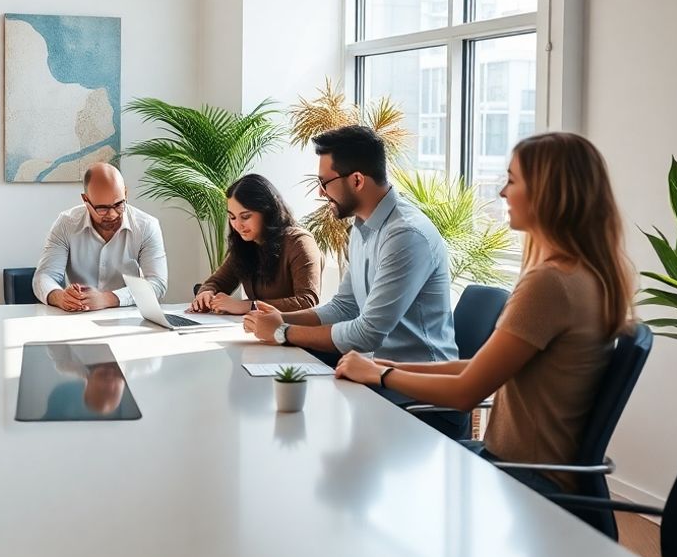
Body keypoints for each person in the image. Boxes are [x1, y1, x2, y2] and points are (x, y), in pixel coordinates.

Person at [335, 132, 635, 493]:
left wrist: (380, 376)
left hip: (524, 480)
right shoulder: (587, 276)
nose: (502, 192)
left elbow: (466, 392)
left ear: (549, 192)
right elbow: (477, 370)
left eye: (512, 180)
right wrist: (383, 368)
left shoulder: (550, 284)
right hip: (530, 470)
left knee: (367, 473)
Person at [243, 125, 456, 364]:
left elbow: (367, 334)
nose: (321, 192)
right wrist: (280, 319)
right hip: (372, 370)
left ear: (357, 180)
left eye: (324, 182)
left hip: (416, 382)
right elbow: (344, 307)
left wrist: (282, 332)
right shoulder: (361, 226)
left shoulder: (405, 235)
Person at [32, 162, 168, 311]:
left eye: (118, 204)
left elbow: (157, 283)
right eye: (102, 208)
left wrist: (107, 299)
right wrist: (60, 297)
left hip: (128, 317)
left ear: (126, 193)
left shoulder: (146, 226)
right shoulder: (66, 224)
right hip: (78, 317)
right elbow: (44, 277)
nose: (112, 214)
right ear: (85, 200)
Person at [189, 173, 324, 315]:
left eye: (245, 216)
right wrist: (205, 294)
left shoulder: (299, 242)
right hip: (257, 329)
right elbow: (216, 282)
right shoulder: (245, 244)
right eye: (232, 217)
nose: (237, 225)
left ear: (267, 211)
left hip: (292, 332)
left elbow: (308, 301)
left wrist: (250, 306)